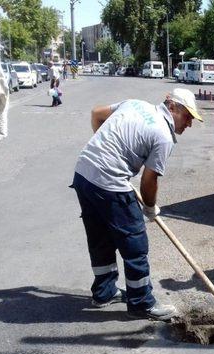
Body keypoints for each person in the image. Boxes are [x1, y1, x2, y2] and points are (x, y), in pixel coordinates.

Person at [71, 88, 203, 321]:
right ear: (172, 107)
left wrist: (107, 151)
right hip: (108, 182)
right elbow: (149, 180)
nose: (189, 124)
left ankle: (104, 293)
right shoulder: (163, 135)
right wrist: (150, 209)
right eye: (188, 116)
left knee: (100, 236)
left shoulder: (135, 104)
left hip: (84, 174)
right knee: (135, 243)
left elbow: (96, 114)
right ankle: (141, 302)